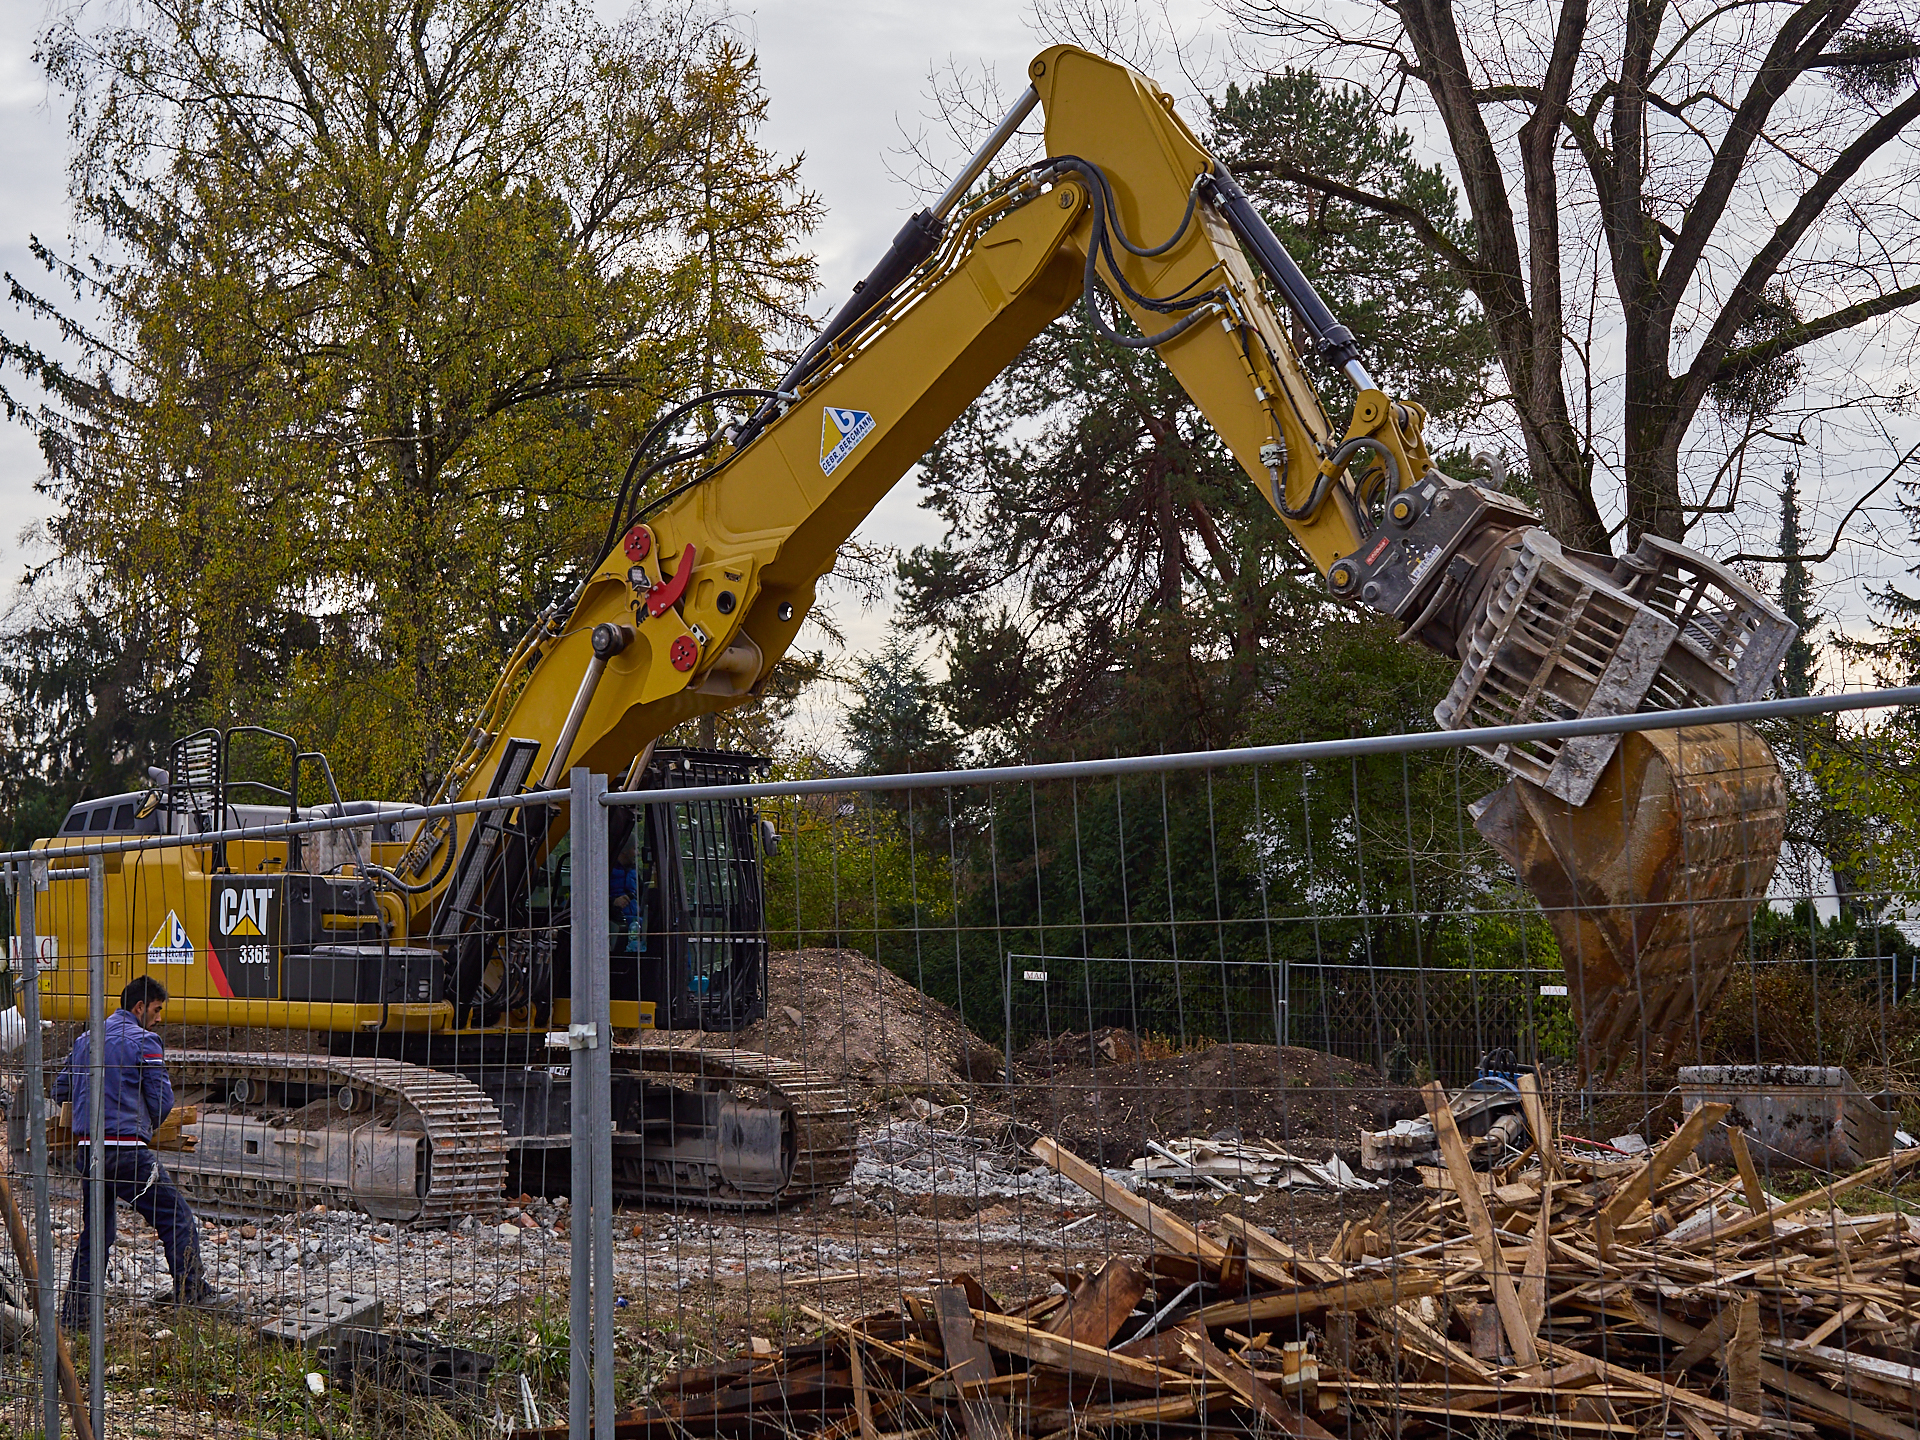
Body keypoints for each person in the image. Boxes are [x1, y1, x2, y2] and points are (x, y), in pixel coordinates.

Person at [53, 975, 224, 1326]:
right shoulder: (146, 1042)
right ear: (140, 1007)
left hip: (90, 1152)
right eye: (157, 1010)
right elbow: (161, 1100)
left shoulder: (86, 1040)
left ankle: (76, 1316)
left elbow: (60, 1090)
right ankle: (193, 1293)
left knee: (96, 1233)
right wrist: (143, 1123)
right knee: (175, 1216)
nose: (160, 1018)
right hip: (128, 1151)